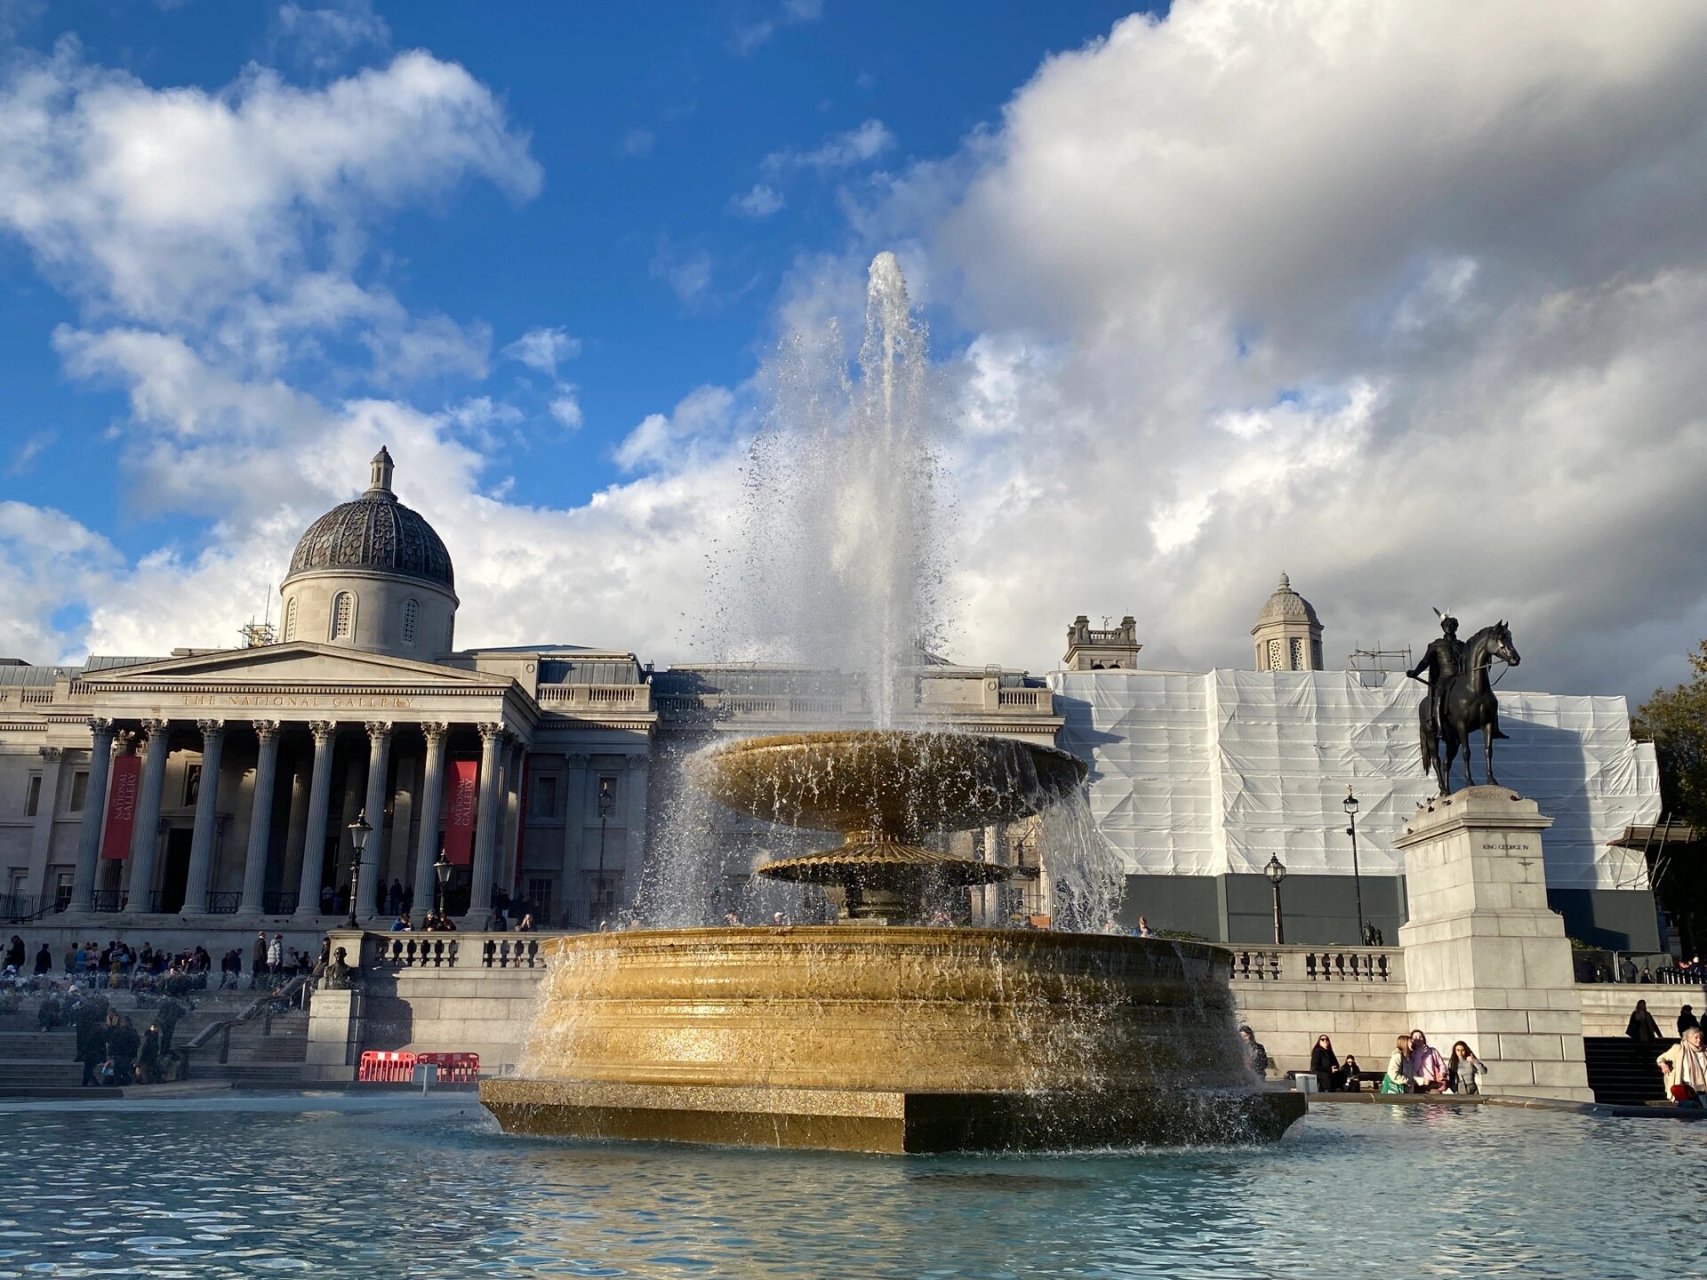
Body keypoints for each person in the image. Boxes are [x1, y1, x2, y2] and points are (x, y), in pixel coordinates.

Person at [1658, 1025, 1707, 1109]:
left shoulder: (1705, 1050)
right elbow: (1661, 1058)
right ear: (1688, 1038)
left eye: (1700, 1037)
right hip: (1685, 1088)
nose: (1699, 1040)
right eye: (1696, 1038)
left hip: (1702, 1088)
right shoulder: (1679, 1049)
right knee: (1686, 1114)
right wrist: (1663, 1064)